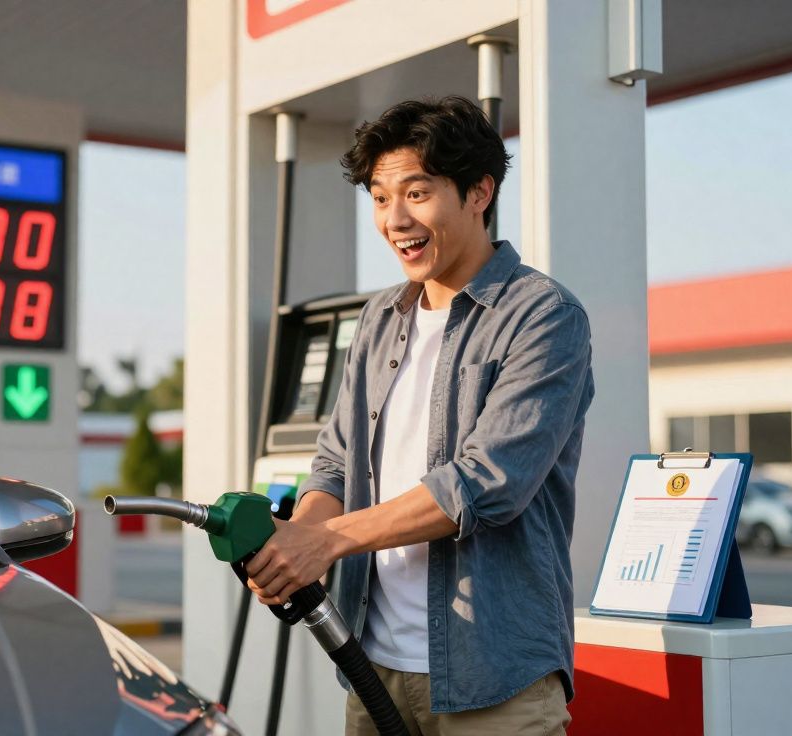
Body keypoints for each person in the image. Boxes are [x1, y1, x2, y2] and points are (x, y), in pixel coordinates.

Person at [244, 96, 594, 735]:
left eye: (416, 193)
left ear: (479, 191)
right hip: (371, 663)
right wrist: (294, 543)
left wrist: (325, 541)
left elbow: (488, 482)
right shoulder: (381, 319)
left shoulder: (543, 316)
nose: (394, 219)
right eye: (380, 198)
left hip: (493, 674)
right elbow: (334, 463)